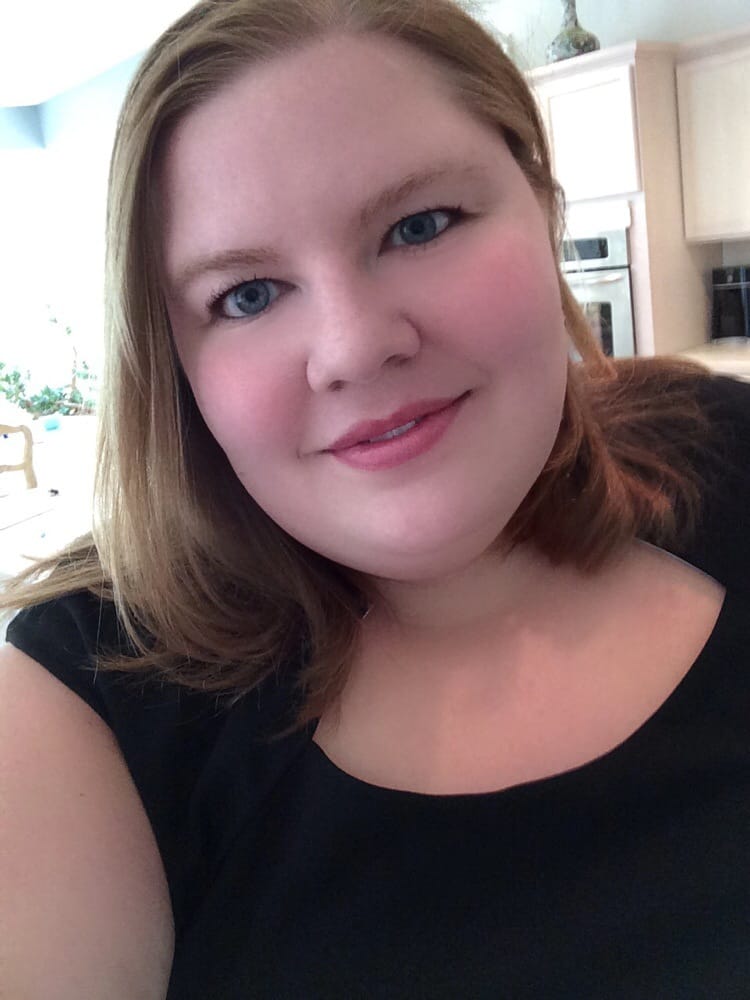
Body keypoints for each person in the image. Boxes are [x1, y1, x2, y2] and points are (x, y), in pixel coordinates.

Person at [1, 1, 749, 996]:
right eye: (248, 295)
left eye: (418, 226)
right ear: (175, 364)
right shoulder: (81, 703)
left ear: (542, 203)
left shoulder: (724, 443)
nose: (354, 347)